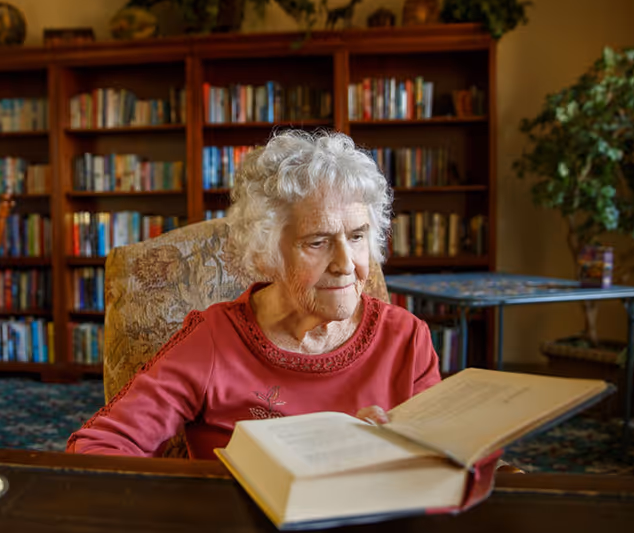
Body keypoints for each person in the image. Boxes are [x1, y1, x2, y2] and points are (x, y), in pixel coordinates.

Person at [67, 130, 441, 459]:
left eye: (357, 236)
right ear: (267, 253)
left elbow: (445, 463)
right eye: (317, 241)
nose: (345, 264)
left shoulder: (407, 339)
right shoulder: (214, 340)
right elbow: (98, 447)